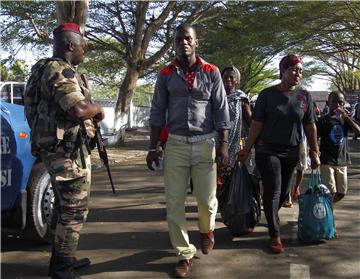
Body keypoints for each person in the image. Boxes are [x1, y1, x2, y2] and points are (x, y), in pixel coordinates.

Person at [146, 23, 230, 278]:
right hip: (176, 145)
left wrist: (224, 144)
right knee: (174, 204)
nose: (183, 42)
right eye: (179, 39)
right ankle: (184, 253)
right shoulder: (165, 74)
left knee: (206, 202)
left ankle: (207, 230)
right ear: (174, 44)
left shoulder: (212, 72)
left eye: (188, 38)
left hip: (205, 144)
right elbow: (158, 111)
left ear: (195, 43)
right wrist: (153, 146)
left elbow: (221, 110)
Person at [24, 23, 105, 279]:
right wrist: (98, 109)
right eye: (82, 45)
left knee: (63, 207)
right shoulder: (60, 70)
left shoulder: (44, 69)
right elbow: (78, 110)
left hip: (58, 151)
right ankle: (62, 269)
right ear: (70, 45)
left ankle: (63, 260)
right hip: (66, 154)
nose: (84, 51)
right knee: (73, 210)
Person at [237, 54, 320, 254]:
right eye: (293, 69)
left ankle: (273, 214)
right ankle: (274, 234)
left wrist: (315, 151)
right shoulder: (267, 95)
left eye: (300, 70)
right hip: (267, 149)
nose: (297, 74)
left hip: (291, 151)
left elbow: (310, 126)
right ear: (282, 71)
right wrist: (247, 149)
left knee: (284, 192)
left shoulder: (304, 96)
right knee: (273, 189)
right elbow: (257, 124)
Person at [317, 91, 360, 204]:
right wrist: (314, 153)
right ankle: (327, 214)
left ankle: (326, 208)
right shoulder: (323, 120)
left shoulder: (344, 120)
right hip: (327, 160)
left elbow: (358, 131)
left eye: (341, 102)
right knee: (329, 192)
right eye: (334, 102)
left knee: (342, 192)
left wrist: (346, 117)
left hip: (342, 160)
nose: (337, 105)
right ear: (328, 103)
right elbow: (315, 137)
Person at [220, 65, 252, 168]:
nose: (228, 79)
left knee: (234, 174)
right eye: (225, 77)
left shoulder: (241, 99)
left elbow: (251, 121)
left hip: (237, 141)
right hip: (218, 140)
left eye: (232, 77)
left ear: (237, 80)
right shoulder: (216, 97)